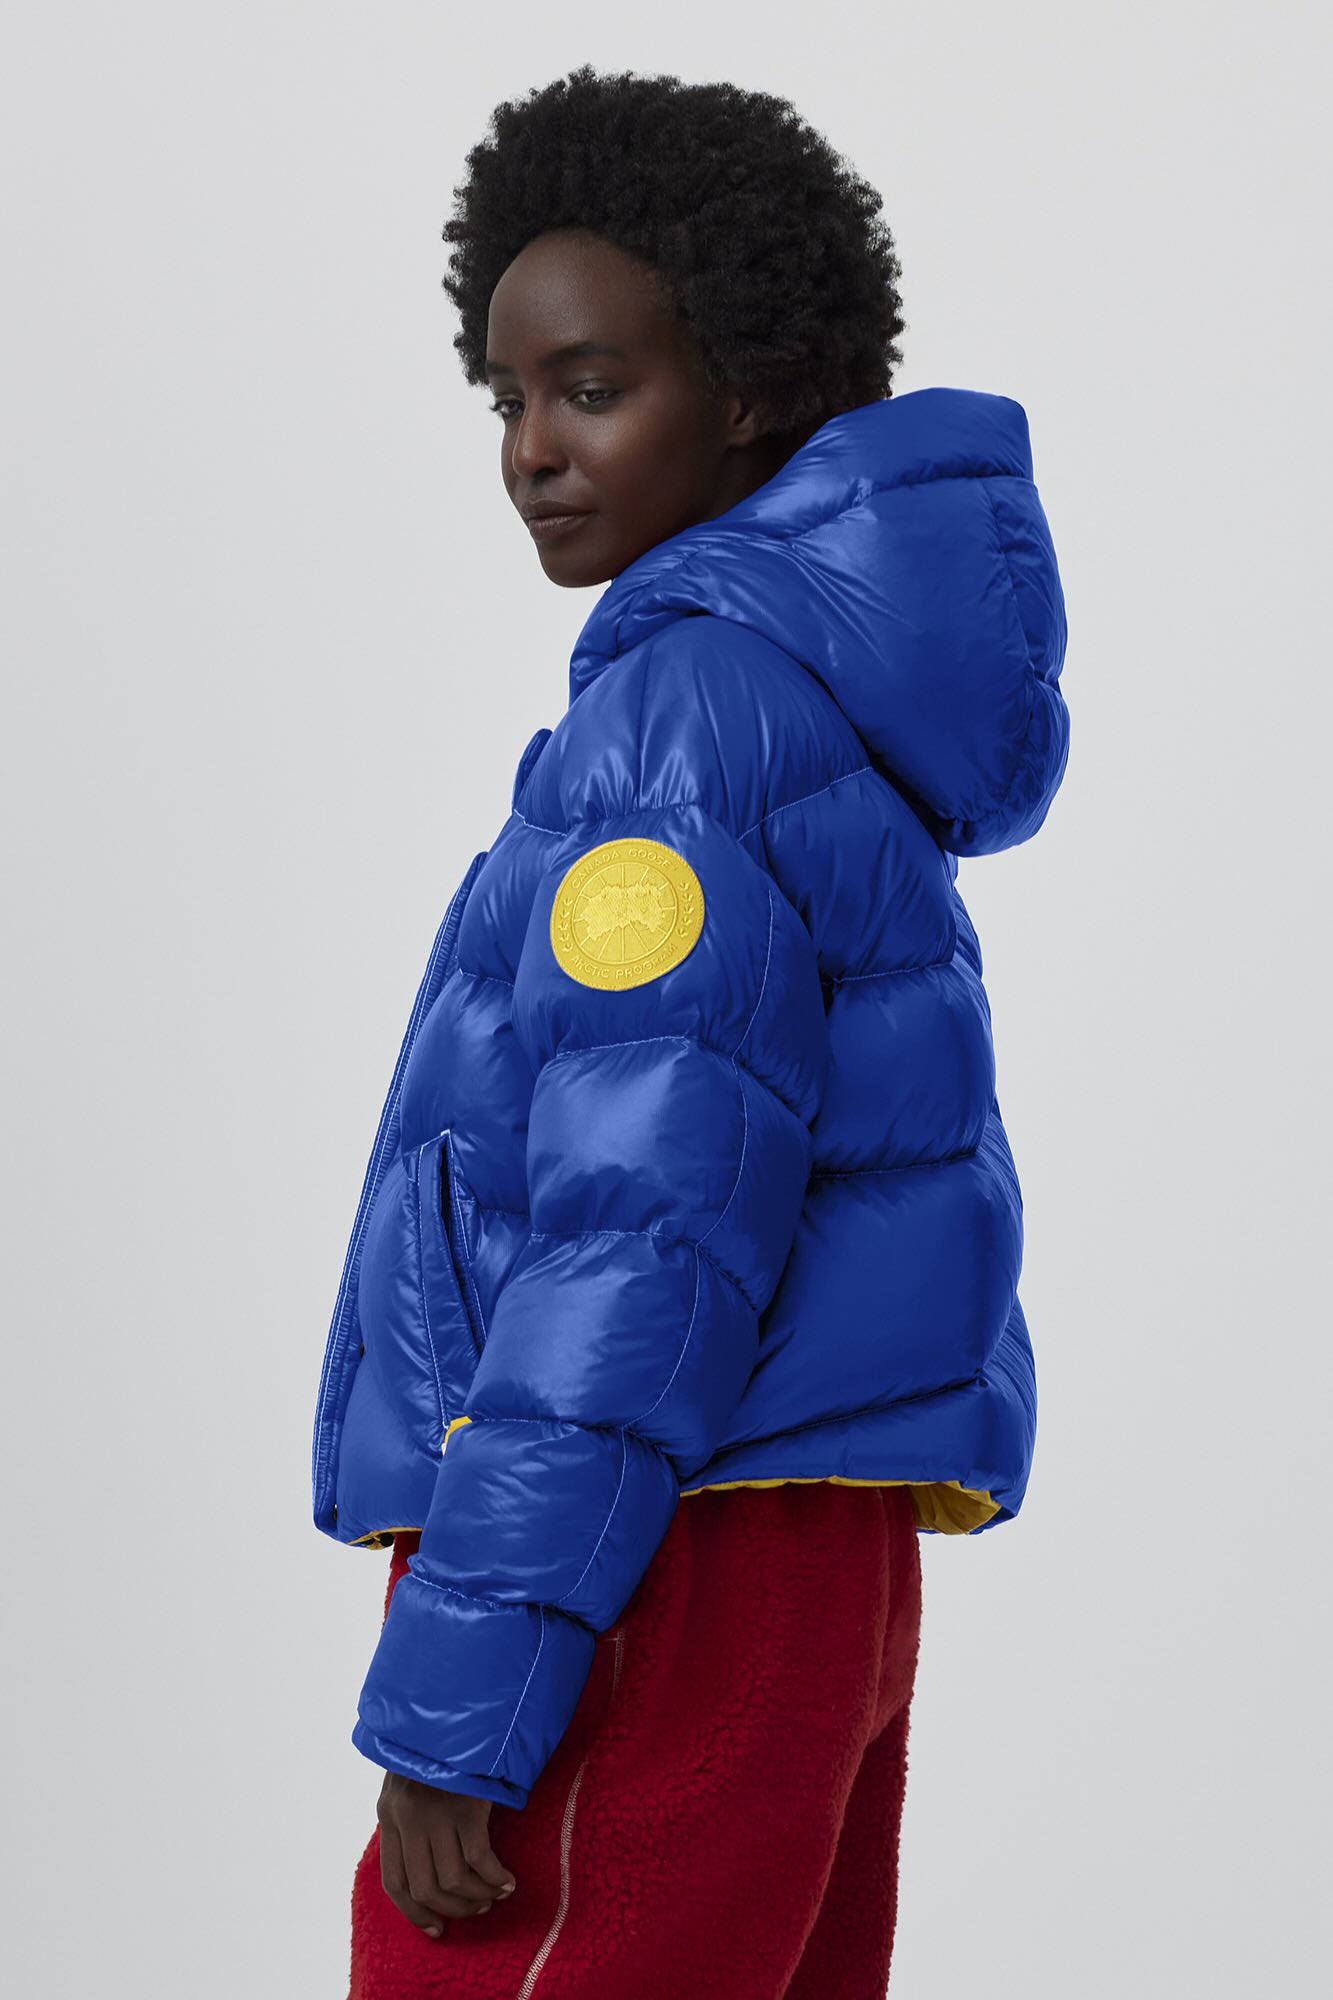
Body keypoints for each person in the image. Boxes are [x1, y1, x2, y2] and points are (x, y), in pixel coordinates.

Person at [310, 62, 1070, 1999]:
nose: (532, 451)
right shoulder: (808, 705)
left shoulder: (679, 729)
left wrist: (466, 1692)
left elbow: (638, 1236)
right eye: (506, 397)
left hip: (651, 1553)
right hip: (800, 1550)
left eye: (591, 387)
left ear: (739, 389)